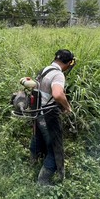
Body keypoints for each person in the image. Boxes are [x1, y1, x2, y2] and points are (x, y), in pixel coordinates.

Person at [29, 49, 75, 186]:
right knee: (55, 150)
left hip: (37, 112)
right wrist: (67, 107)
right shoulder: (58, 75)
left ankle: (32, 164)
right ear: (67, 63)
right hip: (48, 114)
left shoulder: (45, 70)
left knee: (38, 138)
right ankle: (42, 183)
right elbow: (57, 94)